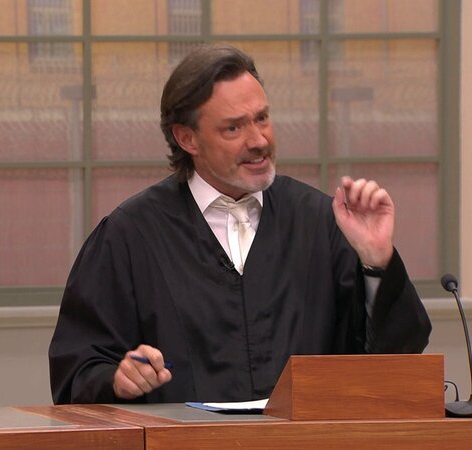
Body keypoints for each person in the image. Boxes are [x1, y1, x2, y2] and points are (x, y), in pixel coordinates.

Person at [48, 44, 431, 404]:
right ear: (187, 138)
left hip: (305, 442)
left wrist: (377, 262)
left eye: (262, 118)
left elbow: (395, 359)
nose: (259, 140)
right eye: (233, 128)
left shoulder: (320, 221)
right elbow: (77, 372)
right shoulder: (131, 236)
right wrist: (118, 379)